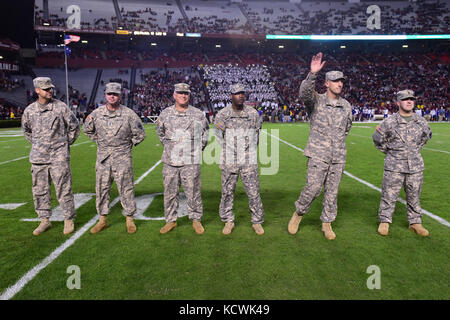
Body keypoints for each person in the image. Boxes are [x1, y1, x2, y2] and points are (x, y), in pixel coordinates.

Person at [287, 52, 352, 240]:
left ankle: (327, 223)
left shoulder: (346, 106)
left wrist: (336, 144)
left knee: (332, 192)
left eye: (342, 81)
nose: (340, 84)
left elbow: (346, 128)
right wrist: (312, 74)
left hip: (338, 156)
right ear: (327, 83)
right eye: (336, 81)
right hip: (318, 154)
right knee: (313, 188)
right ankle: (298, 214)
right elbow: (304, 94)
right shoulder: (317, 101)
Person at [84, 82, 146, 234]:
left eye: (115, 94)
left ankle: (129, 219)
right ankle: (102, 219)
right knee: (101, 189)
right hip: (103, 158)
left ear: (120, 95)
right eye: (109, 94)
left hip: (122, 158)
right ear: (105, 95)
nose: (112, 96)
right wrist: (100, 142)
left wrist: (126, 146)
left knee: (126, 188)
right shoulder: (97, 114)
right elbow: (87, 130)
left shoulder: (129, 114)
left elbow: (140, 134)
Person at [21, 77, 80, 235]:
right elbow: (26, 131)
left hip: (58, 157)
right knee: (40, 190)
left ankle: (68, 219)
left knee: (64, 188)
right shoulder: (29, 111)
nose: (50, 91)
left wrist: (65, 144)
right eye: (46, 89)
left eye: (50, 88)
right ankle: (44, 220)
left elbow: (74, 126)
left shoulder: (61, 107)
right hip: (38, 158)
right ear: (37, 90)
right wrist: (38, 144)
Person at [372, 90, 432, 236]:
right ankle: (385, 221)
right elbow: (377, 140)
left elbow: (426, 137)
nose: (409, 101)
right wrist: (393, 153)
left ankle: (415, 222)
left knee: (414, 195)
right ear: (398, 102)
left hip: (415, 166)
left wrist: (413, 151)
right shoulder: (389, 122)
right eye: (405, 99)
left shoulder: (421, 121)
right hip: (394, 166)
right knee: (389, 194)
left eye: (411, 99)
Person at [156, 83, 209, 235]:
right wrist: (170, 147)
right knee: (170, 192)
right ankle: (171, 221)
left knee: (193, 192)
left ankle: (196, 220)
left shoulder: (198, 114)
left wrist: (197, 150)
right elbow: (160, 133)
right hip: (170, 162)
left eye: (186, 93)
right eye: (180, 93)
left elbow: (205, 134)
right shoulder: (165, 114)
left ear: (189, 95)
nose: (183, 95)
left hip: (190, 161)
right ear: (174, 95)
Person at [214, 83, 265, 235]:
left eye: (242, 93)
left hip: (248, 158)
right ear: (230, 96)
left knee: (253, 191)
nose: (240, 95)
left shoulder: (253, 113)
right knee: (227, 191)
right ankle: (228, 220)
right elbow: (218, 135)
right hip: (229, 158)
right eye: (237, 93)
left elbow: (257, 133)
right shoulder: (223, 114)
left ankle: (257, 221)